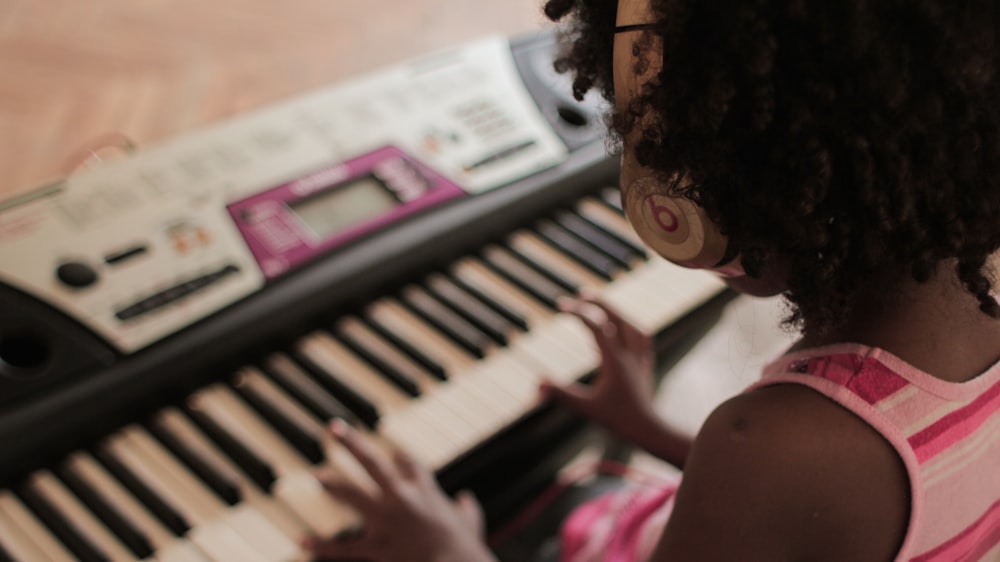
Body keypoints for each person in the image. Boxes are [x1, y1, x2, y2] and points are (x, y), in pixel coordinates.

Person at [301, 0, 1000, 560]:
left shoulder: (768, 445)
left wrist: (447, 551)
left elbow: (787, 489)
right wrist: (655, 431)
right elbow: (825, 518)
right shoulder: (810, 444)